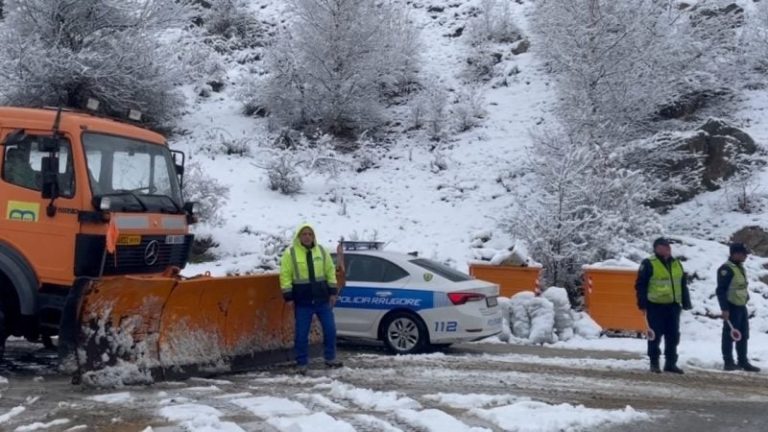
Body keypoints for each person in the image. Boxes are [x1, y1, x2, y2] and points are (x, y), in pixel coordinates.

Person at [280, 223, 342, 374]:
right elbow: (285, 275)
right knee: (301, 334)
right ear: (299, 236)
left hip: (322, 300)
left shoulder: (321, 251)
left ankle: (330, 358)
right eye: (304, 234)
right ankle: (301, 363)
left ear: (313, 236)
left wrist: (333, 292)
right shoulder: (291, 253)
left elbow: (329, 271)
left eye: (310, 234)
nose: (307, 237)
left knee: (330, 329)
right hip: (303, 301)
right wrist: (288, 297)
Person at [635, 237, 692, 374]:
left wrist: (686, 301)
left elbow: (682, 284)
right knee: (655, 336)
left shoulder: (676, 263)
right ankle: (654, 362)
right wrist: (642, 303)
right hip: (655, 305)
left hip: (673, 306)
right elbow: (641, 285)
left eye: (668, 246)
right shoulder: (649, 263)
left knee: (673, 336)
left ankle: (670, 363)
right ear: (656, 248)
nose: (667, 249)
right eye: (663, 246)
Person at [716, 243, 760, 372]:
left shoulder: (739, 267)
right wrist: (724, 308)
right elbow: (721, 290)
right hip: (731, 306)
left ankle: (743, 361)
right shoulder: (726, 269)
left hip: (741, 305)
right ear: (735, 253)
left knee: (743, 334)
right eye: (743, 253)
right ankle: (728, 361)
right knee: (729, 335)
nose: (745, 256)